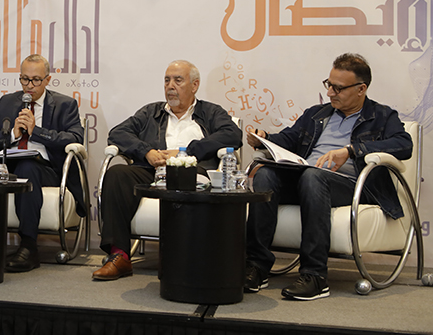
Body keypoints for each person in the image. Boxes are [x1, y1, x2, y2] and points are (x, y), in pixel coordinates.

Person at [244, 53, 413, 300]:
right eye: (329, 84)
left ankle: (315, 276)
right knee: (266, 175)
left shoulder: (382, 116)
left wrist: (352, 151)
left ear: (361, 89)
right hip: (308, 179)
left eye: (338, 88)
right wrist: (265, 139)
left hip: (353, 186)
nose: (330, 92)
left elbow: (404, 145)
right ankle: (256, 267)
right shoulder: (317, 114)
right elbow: (289, 139)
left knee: (313, 177)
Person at [93, 60, 242, 281]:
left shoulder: (211, 112)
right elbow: (118, 133)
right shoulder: (151, 112)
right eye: (167, 80)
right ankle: (119, 256)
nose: (170, 86)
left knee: (187, 177)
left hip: (192, 172)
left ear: (194, 85)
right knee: (117, 174)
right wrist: (147, 151)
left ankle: (183, 258)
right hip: (152, 171)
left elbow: (232, 135)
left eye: (178, 80)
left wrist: (188, 152)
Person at [0, 54, 84, 272]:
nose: (29, 86)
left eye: (36, 80)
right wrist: (12, 135)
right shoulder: (7, 102)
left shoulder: (65, 104)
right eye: (24, 79)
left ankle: (28, 246)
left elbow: (75, 138)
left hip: (46, 168)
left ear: (47, 80)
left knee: (27, 168)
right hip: (9, 162)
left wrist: (37, 132)